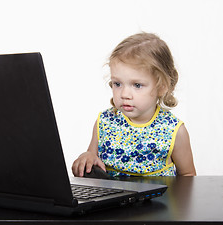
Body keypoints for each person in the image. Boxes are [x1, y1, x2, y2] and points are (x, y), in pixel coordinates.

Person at [72, 32, 196, 177]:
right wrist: (86, 157)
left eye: (137, 85)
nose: (124, 94)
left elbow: (188, 176)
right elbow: (92, 158)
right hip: (113, 199)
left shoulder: (174, 130)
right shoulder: (104, 122)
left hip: (158, 199)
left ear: (161, 86)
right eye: (117, 84)